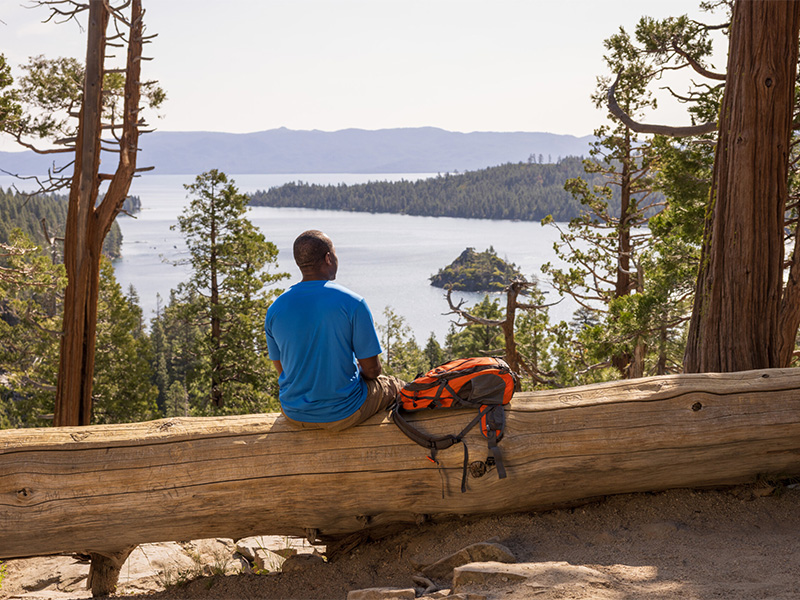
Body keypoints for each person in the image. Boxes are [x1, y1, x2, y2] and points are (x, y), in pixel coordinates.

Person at [264, 230, 404, 431]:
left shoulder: (275, 309)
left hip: (294, 413)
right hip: (344, 412)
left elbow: (283, 370)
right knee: (396, 386)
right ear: (328, 258)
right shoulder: (353, 302)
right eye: (335, 254)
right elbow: (373, 370)